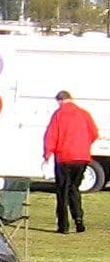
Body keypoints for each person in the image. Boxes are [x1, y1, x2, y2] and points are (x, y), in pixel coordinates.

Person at [44, 90, 100, 234]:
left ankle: (63, 226)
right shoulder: (83, 113)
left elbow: (51, 135)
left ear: (60, 100)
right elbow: (94, 133)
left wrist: (47, 154)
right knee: (74, 188)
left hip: (64, 157)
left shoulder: (59, 114)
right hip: (82, 157)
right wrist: (84, 145)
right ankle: (79, 220)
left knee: (63, 191)